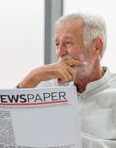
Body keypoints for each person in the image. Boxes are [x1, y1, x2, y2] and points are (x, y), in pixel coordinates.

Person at [16, 13, 116, 147]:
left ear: (96, 46)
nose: (60, 52)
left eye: (68, 43)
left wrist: (64, 138)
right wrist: (30, 79)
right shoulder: (47, 84)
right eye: (57, 44)